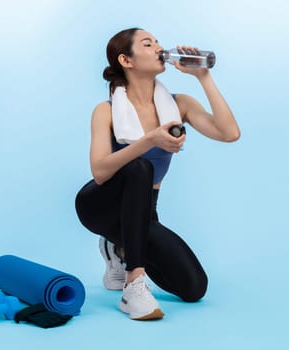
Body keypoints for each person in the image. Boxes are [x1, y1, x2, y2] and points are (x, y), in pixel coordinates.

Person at [75, 28, 240, 321]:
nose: (158, 48)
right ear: (126, 60)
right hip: (99, 206)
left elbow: (229, 133)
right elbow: (99, 171)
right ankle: (133, 284)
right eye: (148, 44)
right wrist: (149, 141)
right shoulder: (105, 111)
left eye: (158, 43)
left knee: (194, 288)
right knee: (140, 167)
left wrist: (204, 77)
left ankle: (119, 247)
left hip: (142, 212)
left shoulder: (180, 105)